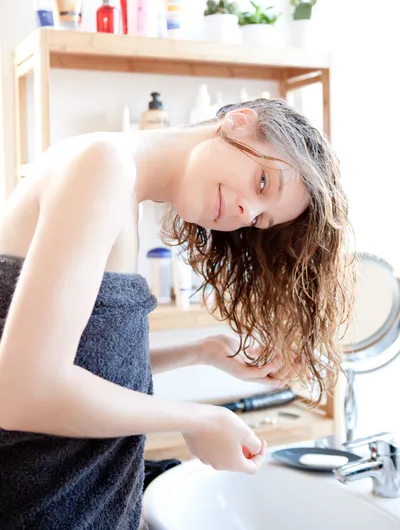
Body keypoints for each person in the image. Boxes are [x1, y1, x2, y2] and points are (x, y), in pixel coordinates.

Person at [0, 98, 353, 529]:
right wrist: (198, 416)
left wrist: (199, 351)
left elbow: (68, 359)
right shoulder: (102, 166)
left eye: (260, 220)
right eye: (263, 183)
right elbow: (22, 392)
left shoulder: (111, 178)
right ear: (240, 123)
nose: (248, 213)